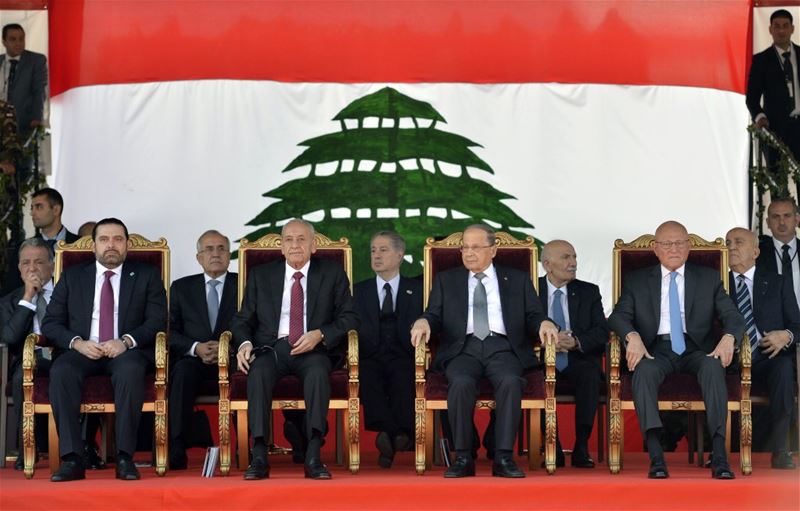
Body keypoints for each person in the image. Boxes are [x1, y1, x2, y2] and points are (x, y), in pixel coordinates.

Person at [410, 224, 559, 478]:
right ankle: (464, 457)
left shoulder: (516, 279)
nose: (469, 253)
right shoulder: (447, 280)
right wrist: (423, 321)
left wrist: (545, 322)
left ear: (493, 249)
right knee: (460, 383)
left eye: (476, 247)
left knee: (511, 382)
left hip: (503, 348)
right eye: (464, 247)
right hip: (462, 349)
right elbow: (433, 314)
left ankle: (503, 457)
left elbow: (534, 315)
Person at [608, 221, 744, 480]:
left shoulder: (707, 278)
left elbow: (733, 317)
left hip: (696, 348)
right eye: (667, 244)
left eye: (680, 243)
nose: (674, 248)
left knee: (713, 366)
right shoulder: (637, 280)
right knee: (643, 371)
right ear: (656, 248)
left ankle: (719, 455)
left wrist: (728, 338)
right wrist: (632, 336)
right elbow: (618, 317)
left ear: (689, 247)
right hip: (656, 349)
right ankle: (657, 456)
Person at [232, 219, 358, 480]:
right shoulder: (262, 275)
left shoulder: (332, 273)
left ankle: (313, 453)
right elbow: (243, 320)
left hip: (313, 348)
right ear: (281, 247)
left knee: (317, 374)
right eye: (289, 240)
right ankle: (258, 454)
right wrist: (244, 344)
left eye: (301, 239)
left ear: (313, 246)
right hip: (271, 348)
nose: (295, 245)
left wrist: (320, 334)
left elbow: (349, 318)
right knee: (258, 373)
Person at [42, 218, 167, 482]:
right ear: (94, 245)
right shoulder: (73, 276)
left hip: (125, 351)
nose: (111, 245)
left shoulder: (146, 275)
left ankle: (124, 457)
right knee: (62, 370)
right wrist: (78, 343)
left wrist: (126, 341)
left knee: (131, 370)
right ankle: (73, 459)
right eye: (104, 239)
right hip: (83, 350)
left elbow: (158, 321)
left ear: (127, 244)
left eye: (118, 239)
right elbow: (51, 323)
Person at [726, 227, 798, 470]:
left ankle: (780, 449)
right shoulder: (717, 285)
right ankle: (717, 451)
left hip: (769, 356)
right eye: (727, 243)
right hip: (730, 359)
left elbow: (797, 325)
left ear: (756, 251)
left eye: (738, 242)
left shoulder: (777, 282)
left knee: (785, 368)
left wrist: (785, 336)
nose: (731, 247)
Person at [167, 230, 237, 469]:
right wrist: (195, 348)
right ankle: (176, 446)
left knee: (249, 372)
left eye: (221, 248)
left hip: (235, 357)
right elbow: (168, 331)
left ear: (230, 255)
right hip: (195, 359)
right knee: (182, 372)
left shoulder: (245, 284)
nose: (215, 254)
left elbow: (257, 324)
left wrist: (228, 348)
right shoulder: (181, 288)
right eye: (209, 249)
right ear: (198, 257)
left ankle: (245, 447)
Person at [353, 231, 421, 468]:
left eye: (383, 250)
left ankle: (387, 437)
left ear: (400, 255)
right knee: (368, 373)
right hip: (370, 352)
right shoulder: (358, 291)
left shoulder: (418, 288)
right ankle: (397, 434)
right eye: (373, 250)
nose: (376, 256)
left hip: (404, 351)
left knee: (404, 373)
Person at [538, 240, 608, 468]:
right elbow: (517, 327)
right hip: (541, 358)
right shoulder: (530, 290)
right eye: (566, 258)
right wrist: (545, 344)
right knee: (535, 379)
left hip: (577, 357)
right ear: (547, 264)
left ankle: (581, 445)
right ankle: (552, 446)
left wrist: (576, 341)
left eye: (574, 257)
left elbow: (601, 331)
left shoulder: (589, 291)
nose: (573, 263)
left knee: (590, 375)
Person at [0, 238, 53, 470]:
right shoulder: (9, 301)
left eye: (39, 262)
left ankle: (84, 447)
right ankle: (26, 449)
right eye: (26, 263)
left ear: (52, 265)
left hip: (65, 355)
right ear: (19, 268)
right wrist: (28, 298)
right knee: (23, 376)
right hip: (29, 361)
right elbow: (10, 338)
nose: (32, 268)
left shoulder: (68, 291)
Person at [746, 10, 800, 174]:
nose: (781, 30)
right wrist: (761, 117)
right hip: (775, 131)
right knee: (778, 185)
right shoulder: (760, 60)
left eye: (785, 26)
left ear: (793, 28)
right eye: (777, 26)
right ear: (770, 30)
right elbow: (752, 98)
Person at [0, 23, 47, 144]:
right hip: (1, 126)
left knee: (23, 162)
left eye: (21, 39)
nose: (18, 43)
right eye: (13, 39)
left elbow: (39, 90)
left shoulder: (36, 60)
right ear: (4, 41)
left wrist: (37, 117)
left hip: (24, 124)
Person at [757, 197, 800, 310]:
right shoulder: (756, 254)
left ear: (797, 220)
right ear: (768, 223)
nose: (781, 222)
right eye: (776, 217)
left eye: (787, 216)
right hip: (772, 325)